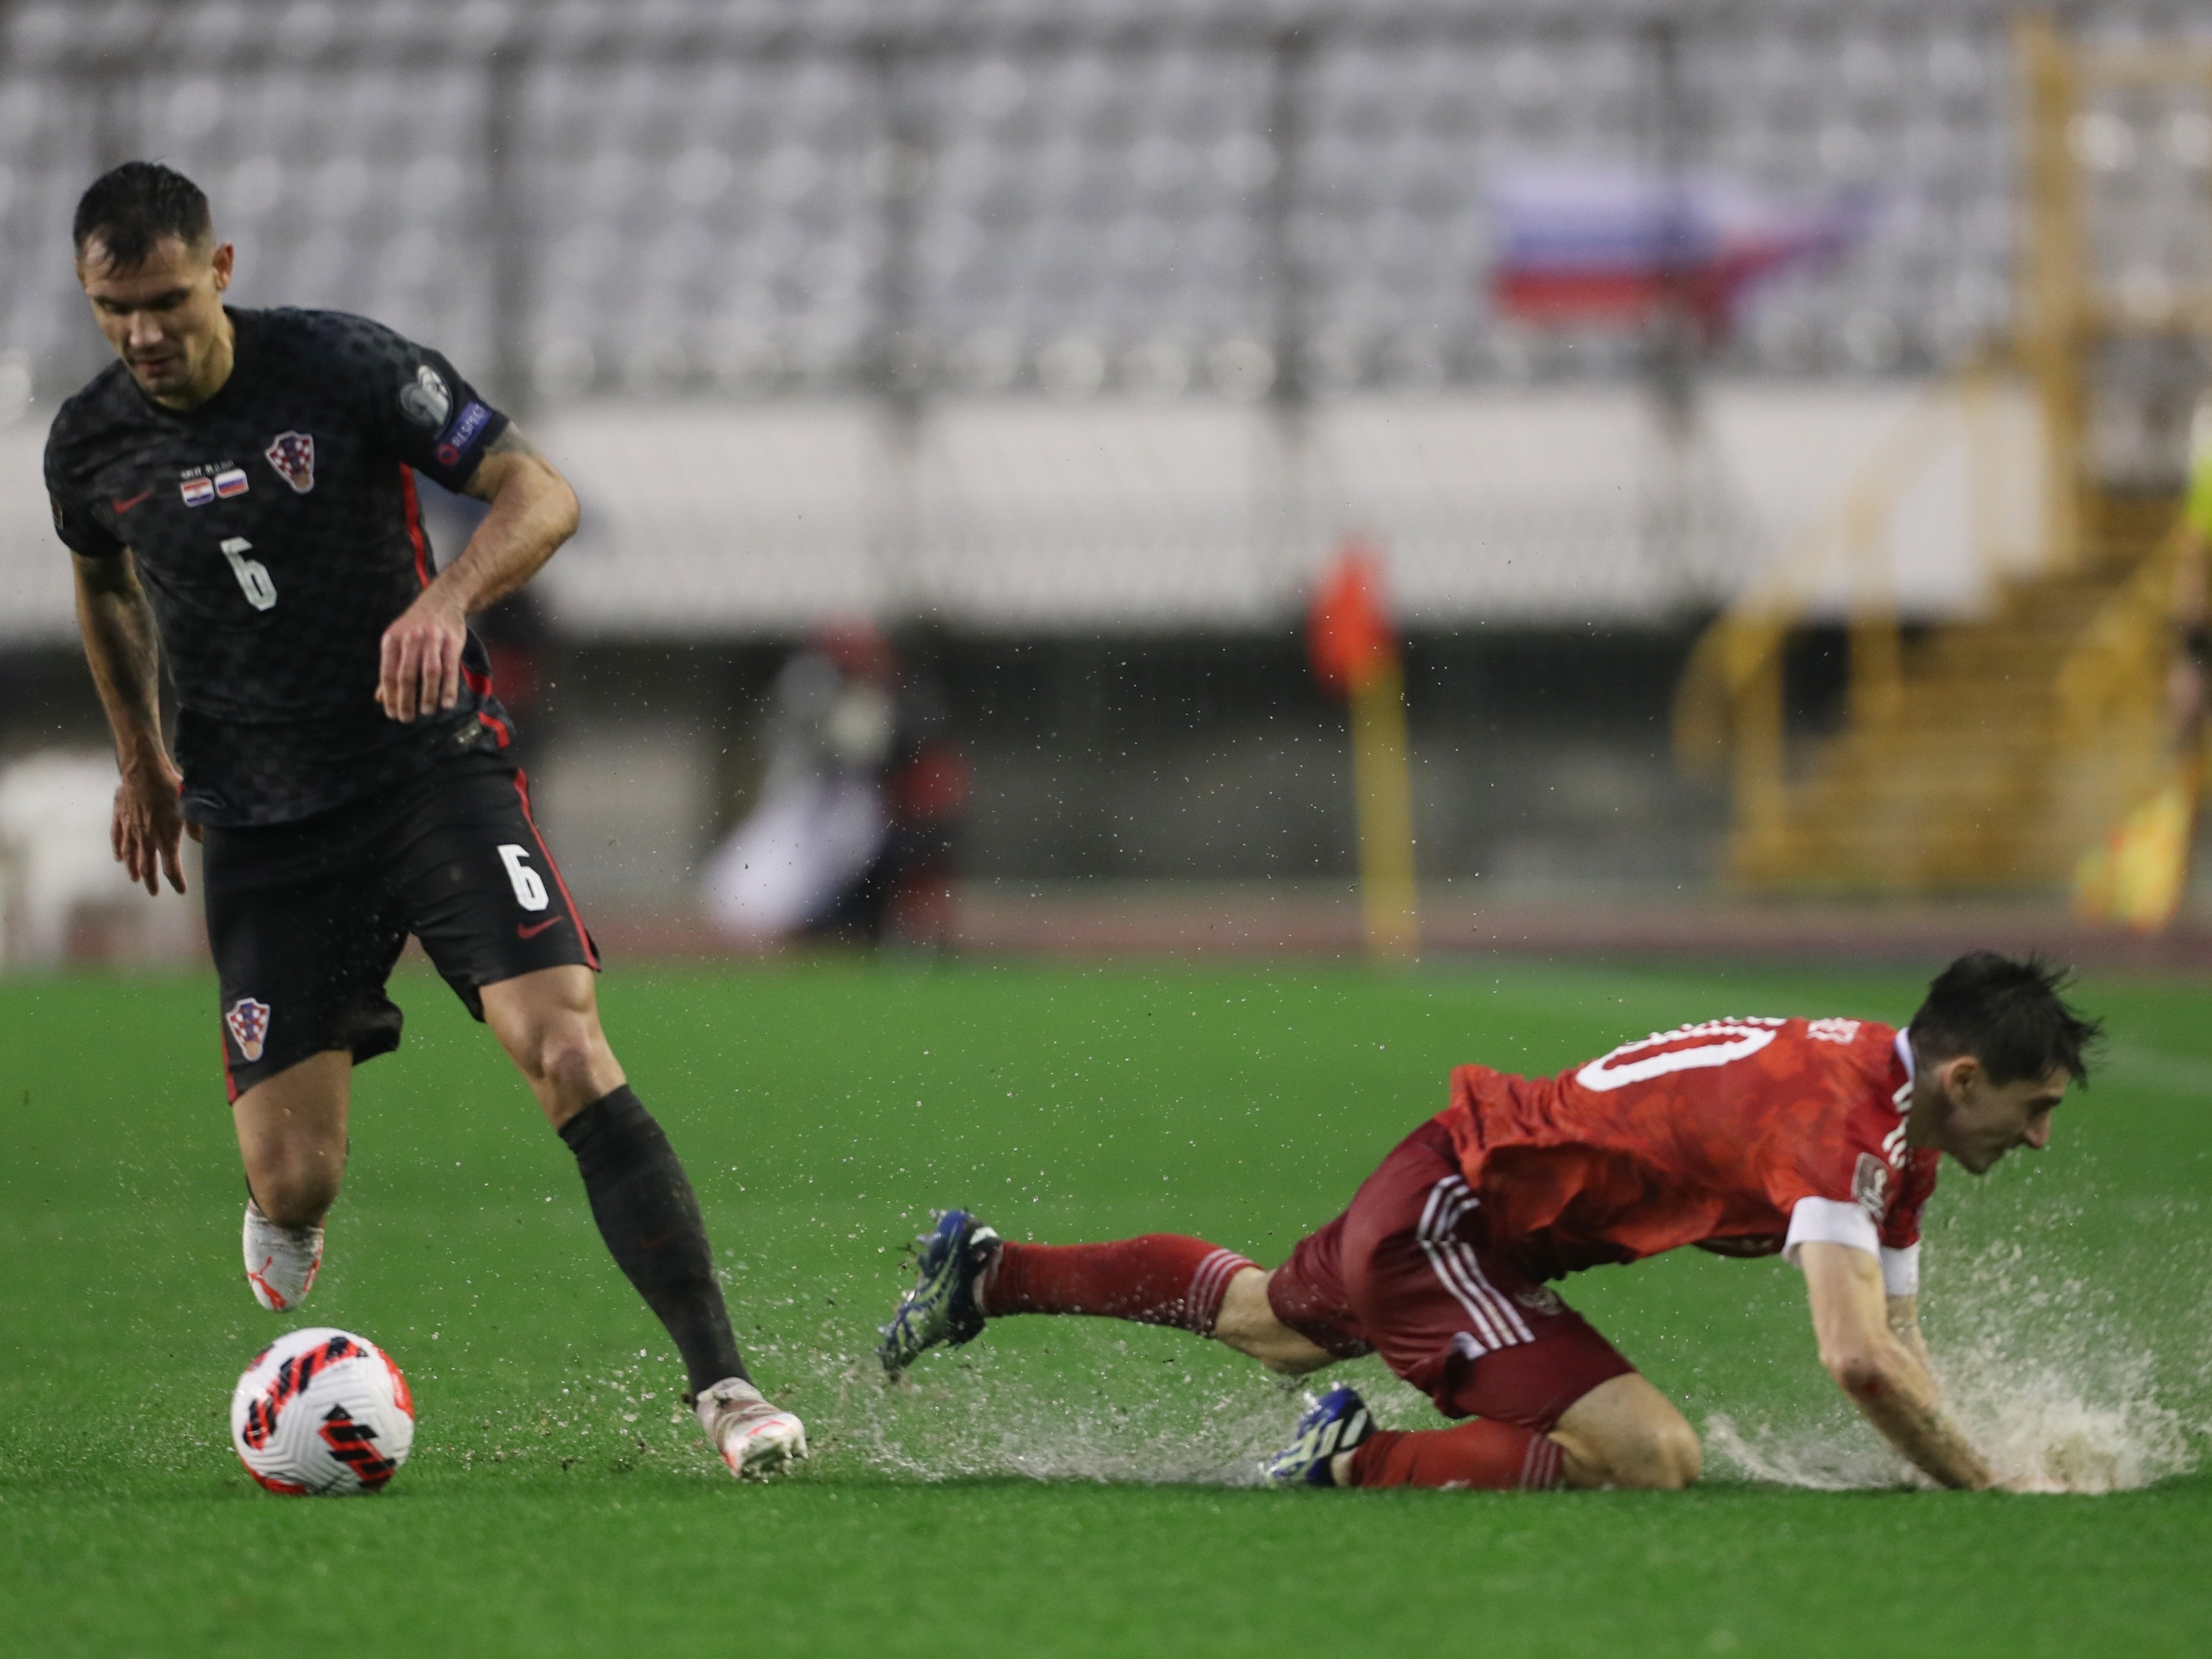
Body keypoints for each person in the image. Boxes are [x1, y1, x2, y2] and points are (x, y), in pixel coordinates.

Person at [44, 163, 803, 1479]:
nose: (145, 334)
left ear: (219, 271)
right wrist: (140, 757)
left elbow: (539, 491)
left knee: (560, 1043)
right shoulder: (91, 442)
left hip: (426, 768)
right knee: (295, 1180)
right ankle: (286, 1207)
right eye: (116, 309)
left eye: (167, 299)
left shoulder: (339, 366)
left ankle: (725, 1388)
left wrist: (448, 601)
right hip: (265, 827)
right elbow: (102, 585)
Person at [878, 951, 2098, 1492]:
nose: (2037, 1138)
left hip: (1450, 1190)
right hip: (1452, 1226)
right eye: (2034, 1108)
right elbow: (1850, 1360)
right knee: (1651, 1457)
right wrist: (1987, 1489)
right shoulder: (1837, 1123)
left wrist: (1959, 1455)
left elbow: (1895, 1345)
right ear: (1961, 1078)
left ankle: (991, 1273)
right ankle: (1349, 1460)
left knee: (1271, 1323)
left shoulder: (1895, 1125)